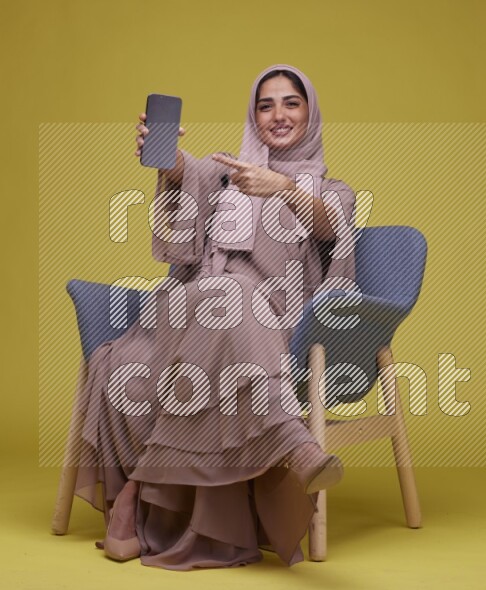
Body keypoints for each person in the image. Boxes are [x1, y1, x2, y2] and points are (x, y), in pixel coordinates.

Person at [72, 63, 358, 570]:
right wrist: (167, 157)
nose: (278, 115)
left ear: (310, 113)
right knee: (205, 304)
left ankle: (135, 494)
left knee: (231, 299)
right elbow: (188, 173)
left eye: (291, 102)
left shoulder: (332, 192)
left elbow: (330, 225)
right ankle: (292, 441)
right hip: (187, 312)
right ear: (253, 115)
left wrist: (281, 188)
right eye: (265, 105)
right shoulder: (229, 172)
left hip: (271, 321)